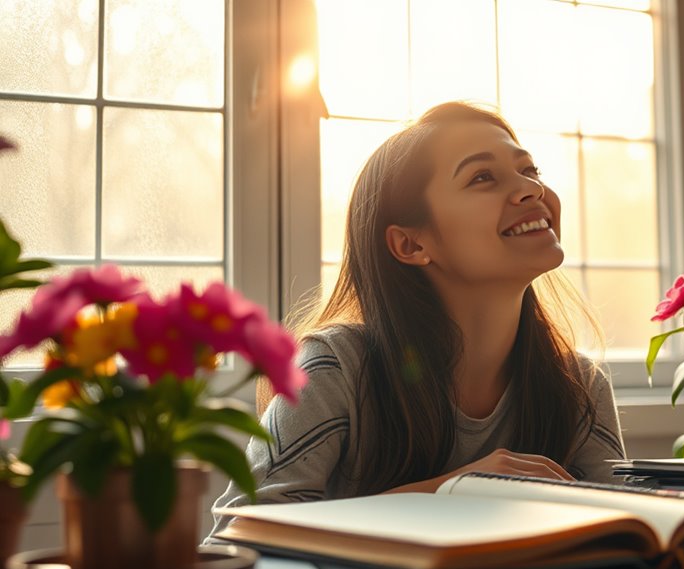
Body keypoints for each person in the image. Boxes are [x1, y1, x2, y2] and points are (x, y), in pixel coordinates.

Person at [207, 101, 625, 538]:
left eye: (531, 170)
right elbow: (236, 536)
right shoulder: (333, 369)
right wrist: (450, 495)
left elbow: (632, 533)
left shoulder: (580, 384)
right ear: (409, 244)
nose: (530, 189)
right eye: (483, 177)